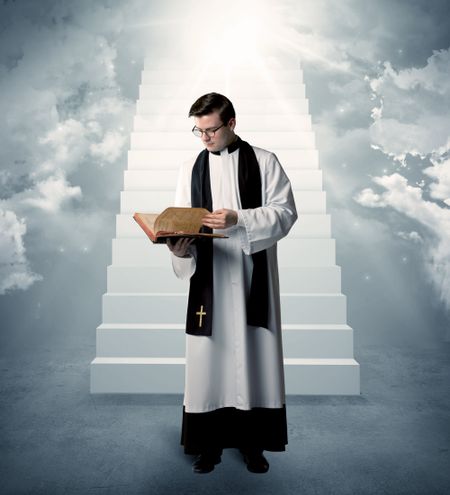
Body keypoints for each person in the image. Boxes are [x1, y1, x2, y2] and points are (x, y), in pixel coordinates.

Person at [167, 92, 297, 474]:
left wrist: (239, 219)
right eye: (198, 130)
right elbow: (181, 218)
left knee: (254, 359)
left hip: (250, 276)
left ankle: (253, 445)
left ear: (232, 123)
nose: (204, 138)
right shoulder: (191, 168)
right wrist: (178, 248)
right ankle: (208, 446)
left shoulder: (264, 161)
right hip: (209, 281)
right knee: (210, 364)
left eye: (211, 129)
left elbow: (285, 213)